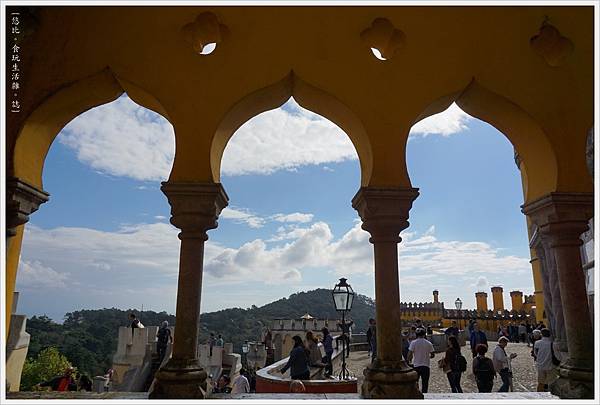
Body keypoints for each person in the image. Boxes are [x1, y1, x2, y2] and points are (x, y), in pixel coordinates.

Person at [407, 328, 435, 393]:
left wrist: (409, 361)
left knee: (415, 382)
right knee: (425, 383)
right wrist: (429, 356)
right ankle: (424, 396)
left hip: (416, 366)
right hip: (426, 366)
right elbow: (433, 354)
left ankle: (416, 394)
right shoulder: (428, 343)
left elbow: (409, 354)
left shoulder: (413, 343)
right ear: (424, 334)